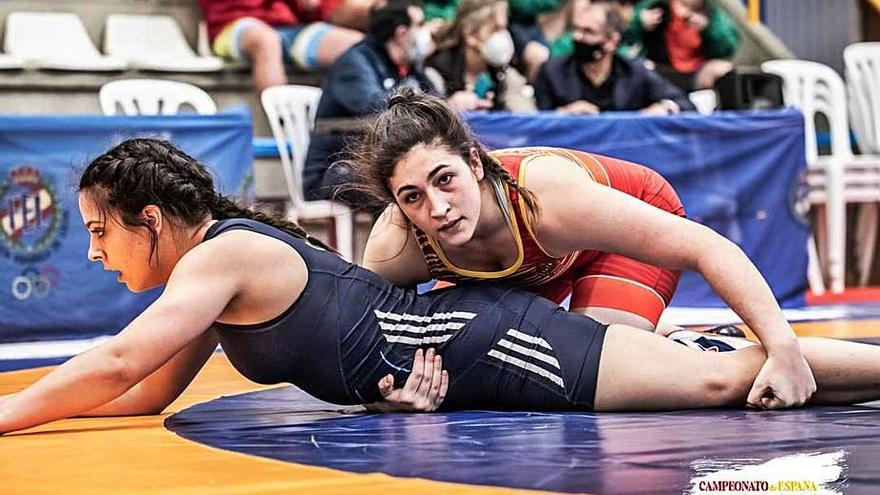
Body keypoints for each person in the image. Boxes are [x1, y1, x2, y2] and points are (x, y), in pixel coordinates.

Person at [5, 138, 880, 436]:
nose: (93, 252)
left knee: (719, 380)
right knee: (691, 362)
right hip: (455, 349)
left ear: (152, 219)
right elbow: (142, 389)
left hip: (479, 336)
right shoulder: (214, 275)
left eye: (98, 229)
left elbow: (118, 359)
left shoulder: (221, 256)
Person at [353, 86, 818, 401]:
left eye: (445, 179)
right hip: (543, 263)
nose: (436, 209)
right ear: (395, 202)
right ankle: (682, 339)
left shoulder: (544, 199)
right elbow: (357, 336)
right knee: (537, 369)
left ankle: (696, 347)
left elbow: (707, 247)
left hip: (623, 224)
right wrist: (388, 396)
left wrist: (784, 349)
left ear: (475, 163)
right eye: (412, 196)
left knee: (599, 366)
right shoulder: (398, 242)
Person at [302, 0, 438, 202]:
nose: (425, 32)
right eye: (418, 25)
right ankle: (391, 234)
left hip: (378, 161)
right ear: (401, 33)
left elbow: (437, 103)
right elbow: (377, 108)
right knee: (398, 182)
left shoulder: (407, 65)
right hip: (331, 171)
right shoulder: (355, 62)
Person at [534, 0, 693, 114]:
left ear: (611, 41)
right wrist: (563, 115)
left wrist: (665, 108)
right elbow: (534, 123)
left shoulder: (635, 72)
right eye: (576, 29)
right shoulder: (553, 71)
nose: (577, 37)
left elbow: (685, 104)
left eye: (588, 31)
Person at [198, 0, 367, 93]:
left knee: (360, 46)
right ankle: (282, 123)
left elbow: (318, 7)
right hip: (233, 24)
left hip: (290, 27)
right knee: (266, 41)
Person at [426, 0, 536, 113]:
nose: (503, 36)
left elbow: (528, 118)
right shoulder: (435, 73)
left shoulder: (503, 74)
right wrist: (449, 108)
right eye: (496, 29)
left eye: (504, 28)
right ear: (471, 35)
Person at [621, 0, 739, 91]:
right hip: (658, 70)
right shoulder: (656, 6)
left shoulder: (711, 13)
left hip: (695, 73)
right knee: (641, 67)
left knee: (723, 68)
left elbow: (728, 48)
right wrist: (639, 22)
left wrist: (708, 29)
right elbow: (622, 39)